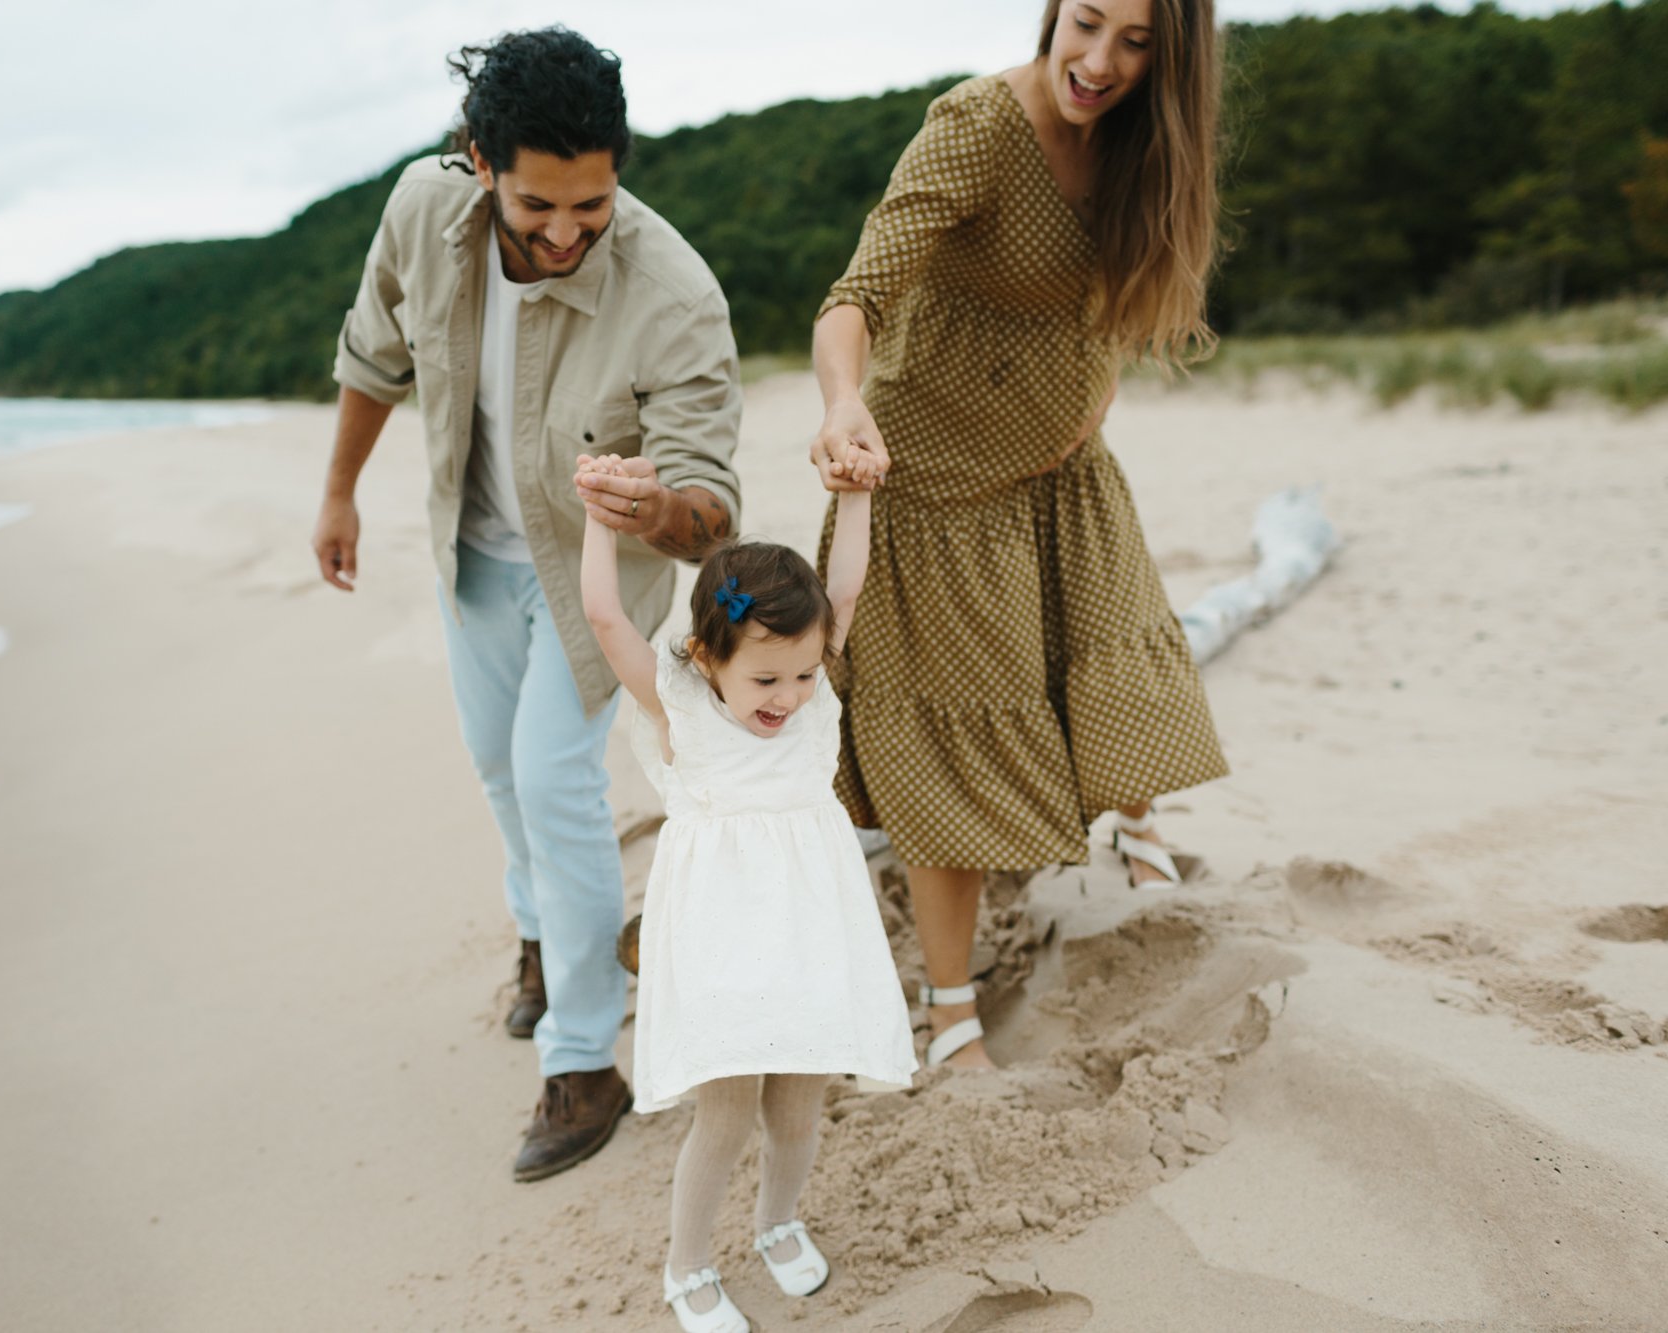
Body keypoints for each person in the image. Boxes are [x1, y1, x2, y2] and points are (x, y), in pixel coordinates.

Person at [312, 27, 742, 1181]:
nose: (564, 233)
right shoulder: (420, 209)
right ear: (478, 161)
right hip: (473, 549)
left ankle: (586, 1054)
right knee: (499, 768)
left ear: (619, 172)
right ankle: (548, 939)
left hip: (598, 578)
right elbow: (373, 355)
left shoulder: (673, 290)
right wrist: (339, 492)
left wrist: (657, 507)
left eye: (591, 207)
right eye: (537, 206)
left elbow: (713, 509)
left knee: (554, 777)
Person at [808, 0, 1230, 1070]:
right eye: (1086, 23)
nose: (1098, 61)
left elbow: (1118, 295)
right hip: (936, 491)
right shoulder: (977, 125)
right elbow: (854, 296)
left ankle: (1137, 829)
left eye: (1136, 44)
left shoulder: (1150, 141)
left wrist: (1094, 391)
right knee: (955, 742)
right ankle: (949, 1013)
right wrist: (840, 404)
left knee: (1107, 671)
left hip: (1062, 478)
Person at [577, 449, 917, 1333]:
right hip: (723, 939)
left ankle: (777, 1220)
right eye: (765, 679)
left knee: (799, 1105)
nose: (791, 696)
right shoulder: (678, 706)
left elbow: (845, 586)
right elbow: (604, 616)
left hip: (809, 929)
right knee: (725, 1116)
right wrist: (596, 521)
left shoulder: (811, 692)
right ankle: (686, 1265)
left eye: (804, 675)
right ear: (706, 656)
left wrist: (852, 496)